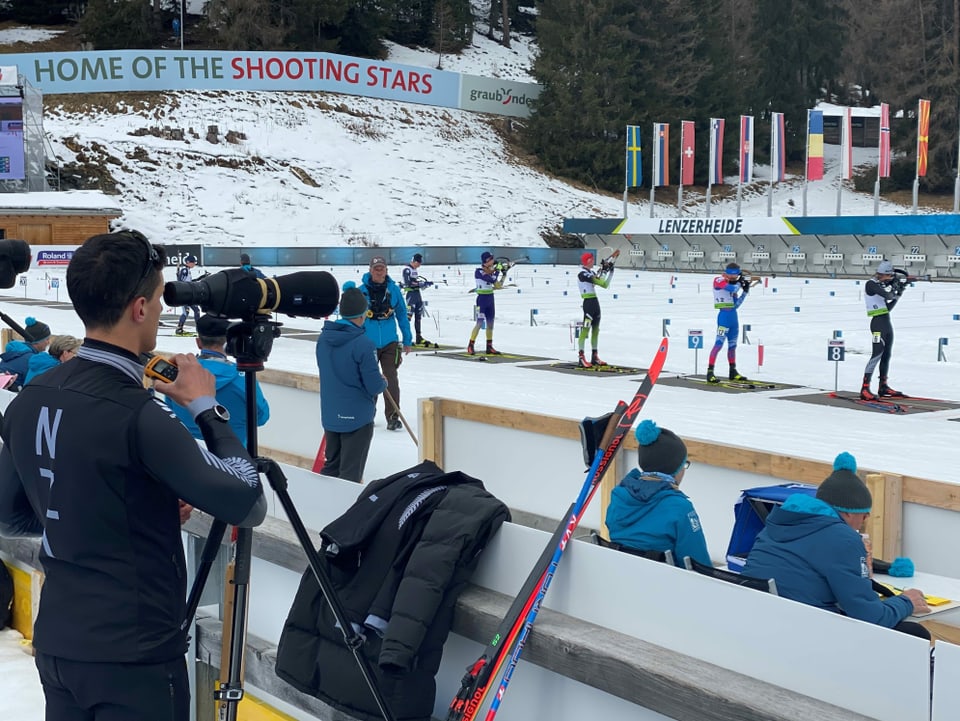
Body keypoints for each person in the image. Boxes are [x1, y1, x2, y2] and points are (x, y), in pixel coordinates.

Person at [0, 229, 266, 721]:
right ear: (139, 309)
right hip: (133, 654)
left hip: (61, 642)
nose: (163, 311)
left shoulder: (34, 395)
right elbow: (246, 501)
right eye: (160, 299)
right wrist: (207, 407)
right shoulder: (138, 411)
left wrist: (128, 510)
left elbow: (11, 516)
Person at [743, 452, 930, 638]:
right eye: (864, 515)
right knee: (914, 634)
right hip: (808, 636)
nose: (865, 521)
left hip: (761, 625)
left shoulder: (774, 525)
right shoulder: (844, 539)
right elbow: (870, 617)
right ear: (848, 513)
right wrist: (906, 602)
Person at [605, 420, 710, 568]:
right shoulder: (679, 508)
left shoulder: (619, 497)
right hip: (663, 587)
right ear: (675, 468)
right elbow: (699, 564)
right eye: (684, 464)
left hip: (620, 579)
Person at [316, 282, 387, 482]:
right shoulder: (363, 344)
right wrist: (383, 383)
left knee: (331, 467)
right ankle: (344, 510)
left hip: (331, 413)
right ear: (362, 314)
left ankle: (323, 507)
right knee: (350, 474)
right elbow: (374, 385)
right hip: (357, 418)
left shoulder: (323, 339)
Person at [164, 314, 270, 446]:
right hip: (233, 457)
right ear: (228, 342)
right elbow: (261, 417)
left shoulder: (179, 374)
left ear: (198, 342)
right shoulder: (242, 379)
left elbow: (170, 411)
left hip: (188, 455)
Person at [360, 256, 412, 431]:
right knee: (370, 380)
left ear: (386, 270)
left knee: (390, 379)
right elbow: (354, 318)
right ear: (370, 270)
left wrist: (407, 339)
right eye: (376, 268)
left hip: (390, 342)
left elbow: (402, 315)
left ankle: (392, 416)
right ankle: (367, 415)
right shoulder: (361, 291)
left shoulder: (394, 290)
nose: (379, 271)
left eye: (381, 268)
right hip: (368, 343)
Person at [861, 259, 906, 400]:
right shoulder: (871, 284)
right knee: (876, 355)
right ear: (882, 274)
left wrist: (900, 292)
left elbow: (887, 308)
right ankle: (865, 388)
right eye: (890, 276)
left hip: (886, 322)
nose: (891, 278)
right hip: (877, 324)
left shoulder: (879, 285)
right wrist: (895, 288)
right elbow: (888, 295)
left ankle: (883, 385)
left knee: (886, 355)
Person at [706, 262, 750, 383]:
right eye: (732, 277)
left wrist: (745, 291)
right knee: (718, 345)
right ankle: (710, 372)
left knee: (732, 346)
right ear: (727, 274)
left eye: (736, 277)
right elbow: (731, 287)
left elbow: (736, 305)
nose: (734, 279)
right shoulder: (718, 280)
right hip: (723, 318)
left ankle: (733, 371)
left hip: (733, 318)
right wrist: (740, 283)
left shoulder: (734, 285)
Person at [576, 250, 616, 368]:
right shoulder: (582, 274)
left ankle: (594, 356)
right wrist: (604, 270)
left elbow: (604, 284)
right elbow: (598, 281)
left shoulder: (591, 272)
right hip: (588, 303)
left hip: (595, 302)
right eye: (592, 259)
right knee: (585, 330)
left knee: (595, 330)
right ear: (587, 261)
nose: (593, 261)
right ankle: (581, 357)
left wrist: (610, 271)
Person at [467, 251, 506, 355]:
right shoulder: (479, 271)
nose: (493, 261)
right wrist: (497, 270)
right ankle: (470, 345)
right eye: (491, 259)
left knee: (490, 324)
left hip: (490, 298)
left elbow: (498, 285)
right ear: (487, 261)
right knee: (479, 323)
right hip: (481, 300)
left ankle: (489, 346)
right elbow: (491, 279)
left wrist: (504, 273)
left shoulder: (491, 271)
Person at [0, 316, 52, 391]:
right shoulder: (32, 360)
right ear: (37, 341)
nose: (48, 342)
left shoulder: (14, 352)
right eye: (47, 339)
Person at [402, 252, 435, 347]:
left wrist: (425, 284)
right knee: (408, 317)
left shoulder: (414, 270)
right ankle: (407, 338)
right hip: (411, 295)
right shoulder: (407, 269)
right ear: (415, 261)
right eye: (419, 263)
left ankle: (418, 337)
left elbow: (415, 282)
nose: (419, 265)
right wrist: (420, 284)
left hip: (417, 295)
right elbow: (409, 283)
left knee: (418, 316)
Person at [175, 254, 201, 336]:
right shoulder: (184, 270)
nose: (194, 264)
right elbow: (180, 282)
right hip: (184, 295)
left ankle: (199, 329)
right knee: (186, 312)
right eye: (193, 262)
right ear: (188, 262)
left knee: (197, 310)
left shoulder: (187, 270)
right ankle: (179, 328)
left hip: (189, 295)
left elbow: (188, 282)